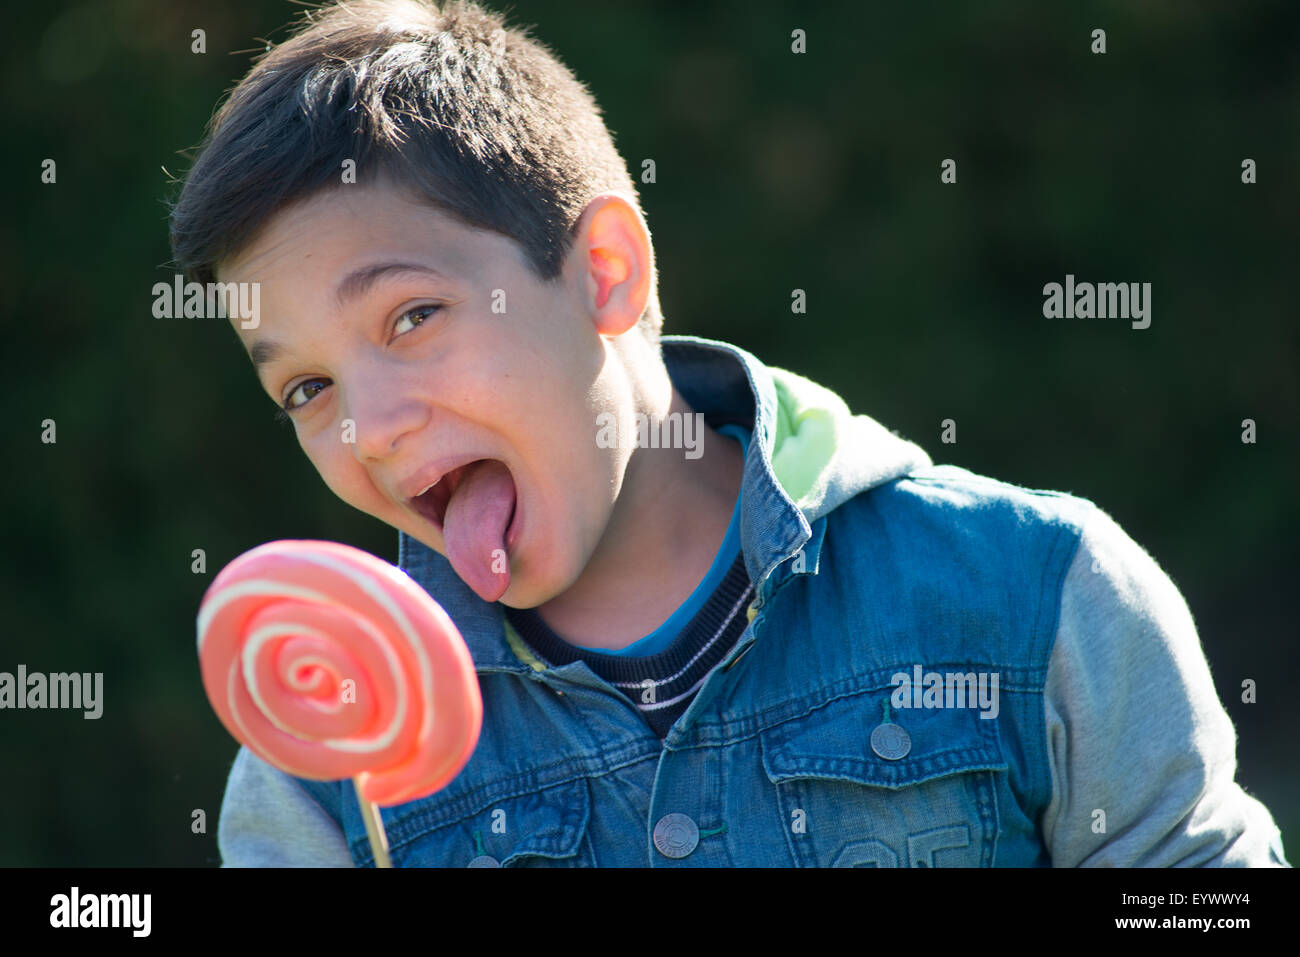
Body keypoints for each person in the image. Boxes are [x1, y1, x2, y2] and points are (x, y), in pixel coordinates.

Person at [169, 0, 1289, 867]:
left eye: (411, 317)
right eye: (306, 390)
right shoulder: (324, 766)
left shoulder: (1033, 593)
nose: (365, 426)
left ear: (604, 272)